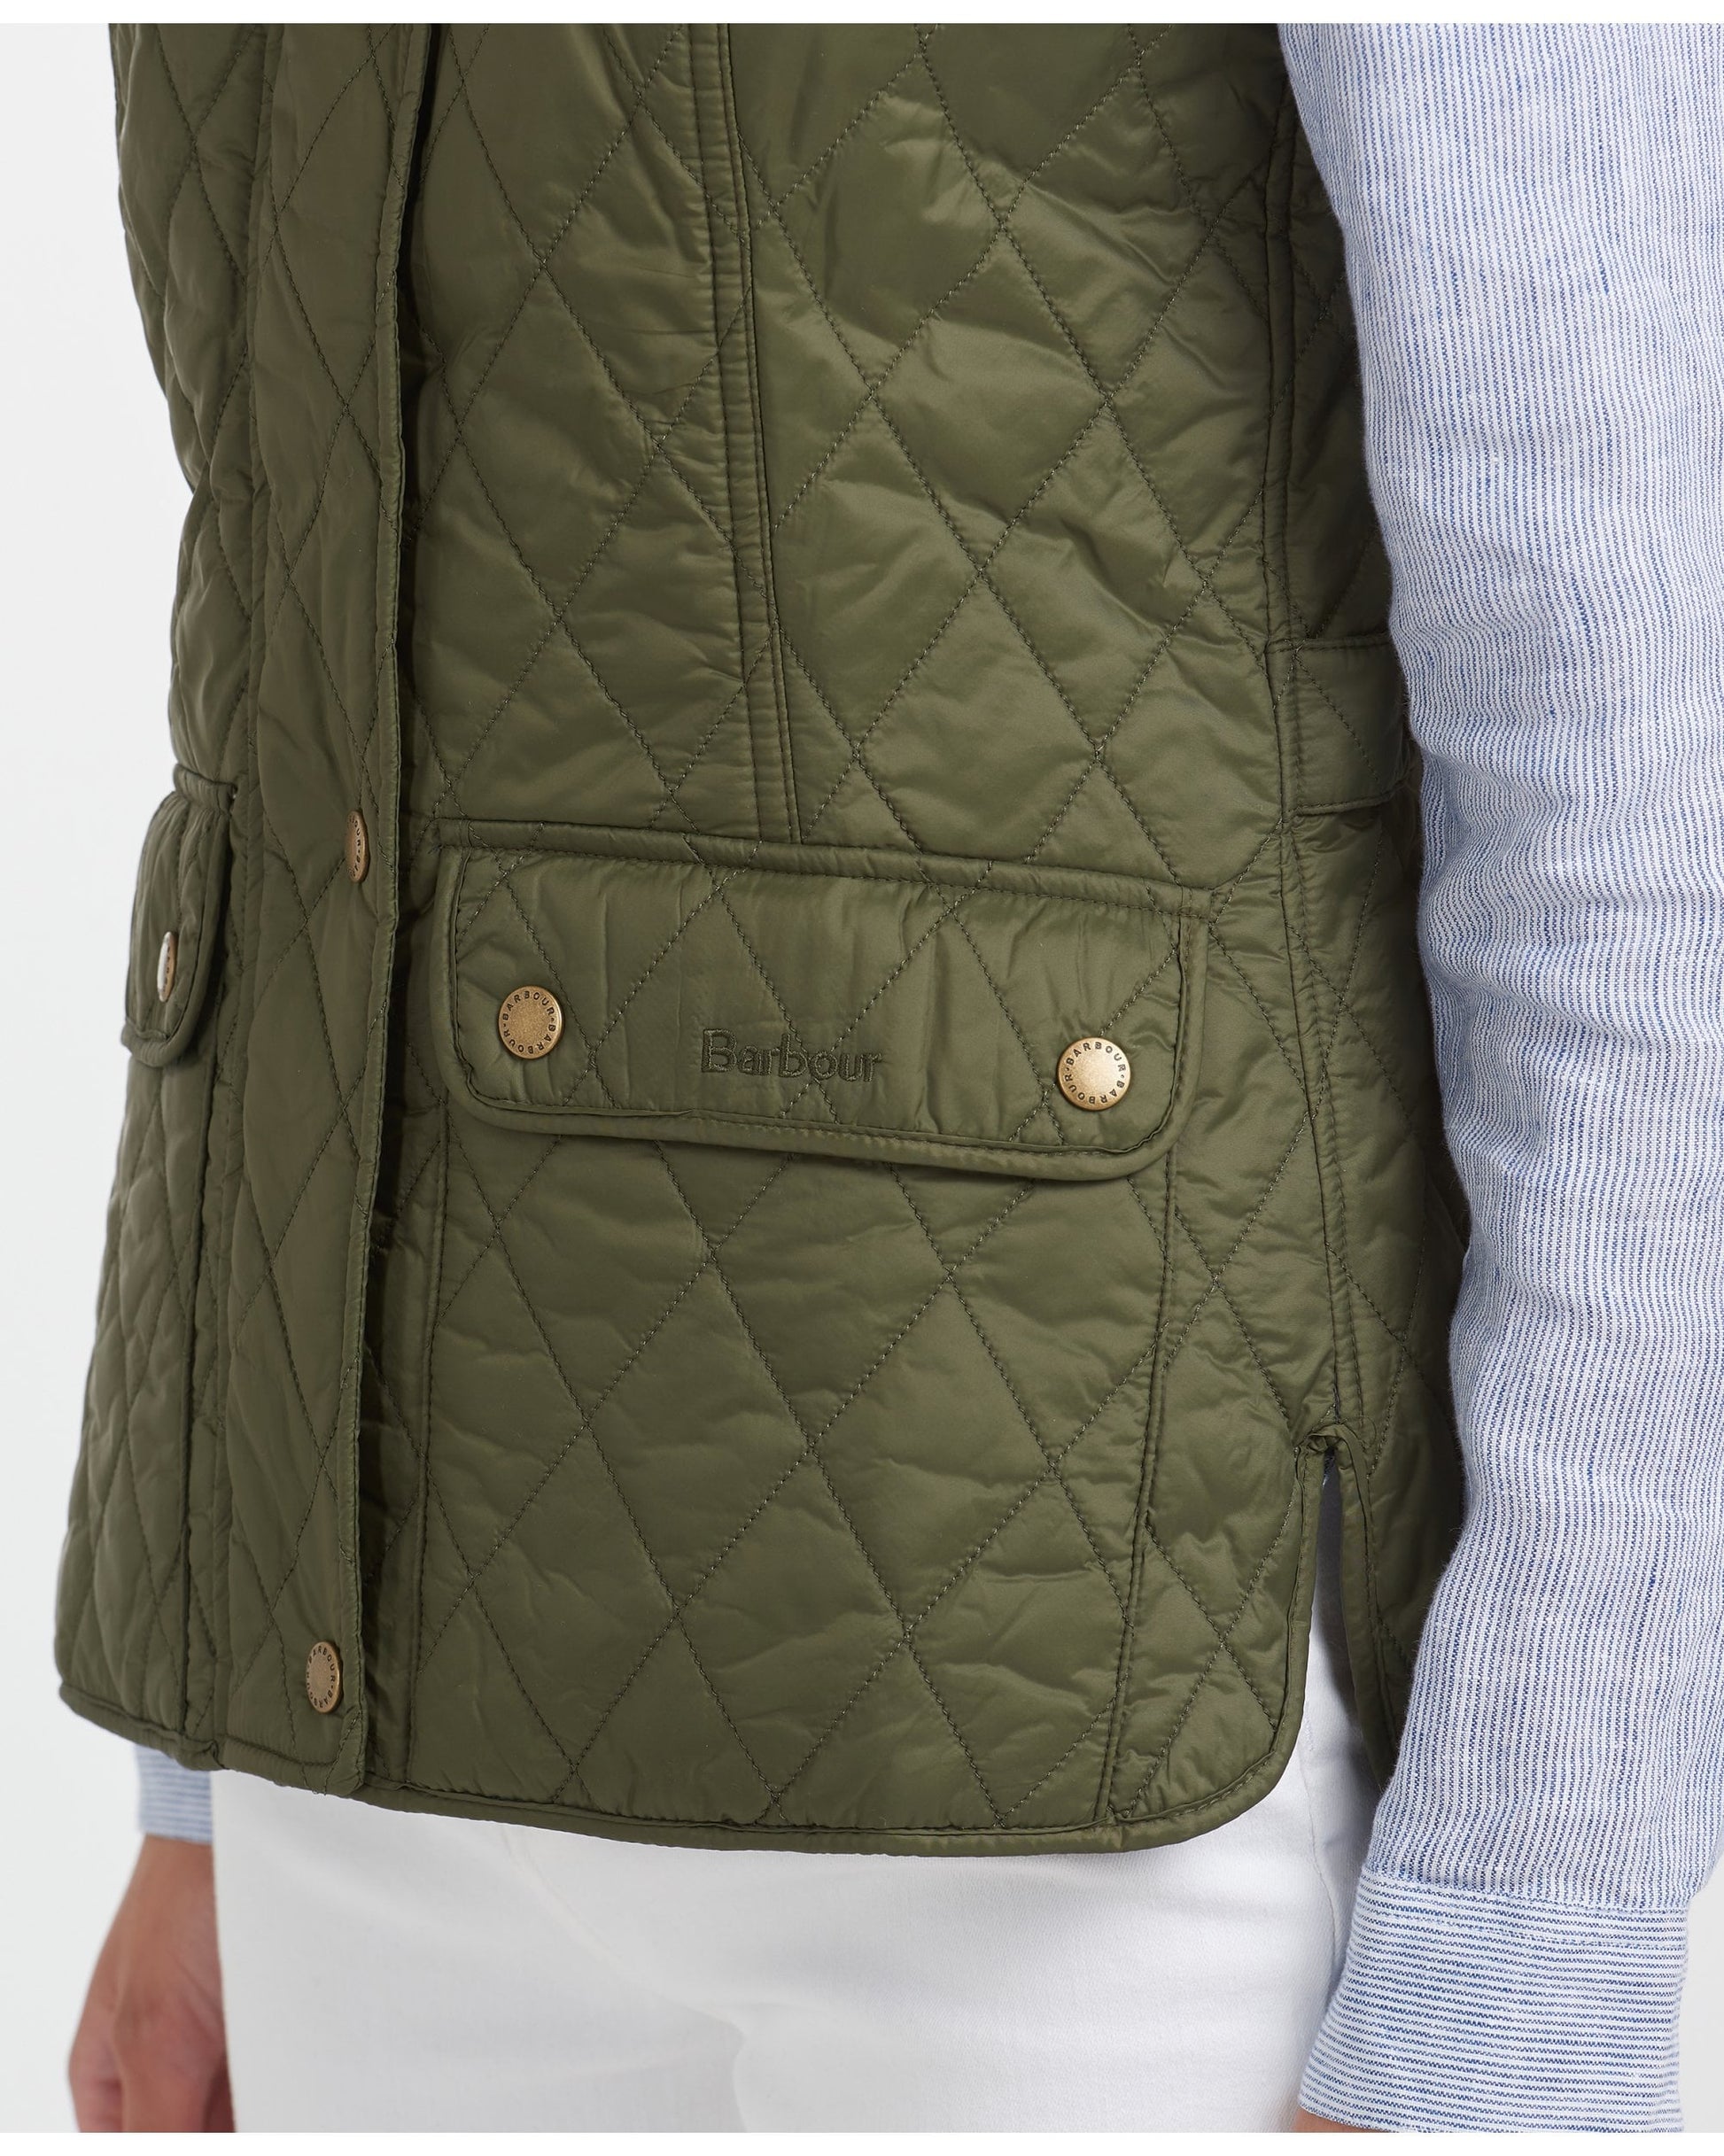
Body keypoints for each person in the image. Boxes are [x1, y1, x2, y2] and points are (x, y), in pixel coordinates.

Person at [62, 22, 1724, 2134]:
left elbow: (1636, 794)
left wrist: (1520, 1947)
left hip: (1078, 1763)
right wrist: (202, 1782)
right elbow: (318, 631)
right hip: (359, 1756)